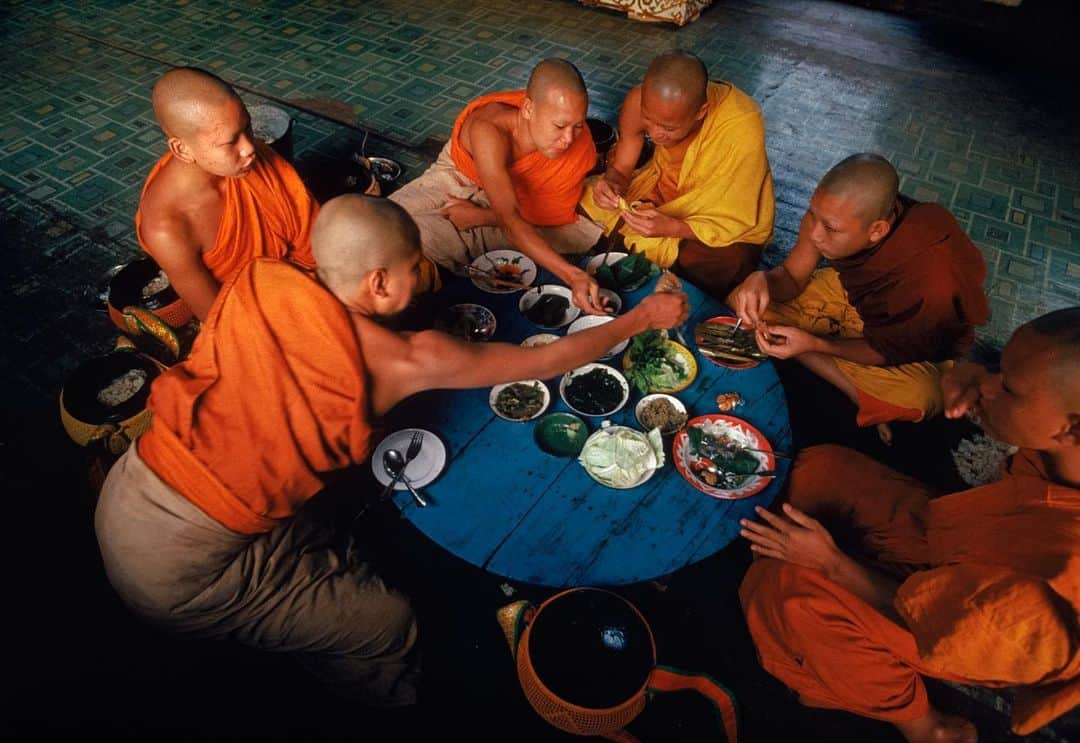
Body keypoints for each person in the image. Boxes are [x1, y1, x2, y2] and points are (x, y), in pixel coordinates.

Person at [94, 195, 689, 708]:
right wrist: (640, 318)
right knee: (387, 624)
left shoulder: (260, 280)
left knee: (327, 534)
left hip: (133, 483)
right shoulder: (404, 358)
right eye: (414, 269)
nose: (422, 279)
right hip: (173, 576)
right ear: (378, 282)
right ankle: (378, 702)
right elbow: (543, 360)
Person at [739, 307, 1080, 742]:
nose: (989, 386)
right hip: (957, 541)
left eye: (1008, 389)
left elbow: (933, 623)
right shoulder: (1066, 451)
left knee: (785, 589)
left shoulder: (1056, 582)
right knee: (817, 470)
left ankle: (923, 724)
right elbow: (1026, 448)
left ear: (1071, 430)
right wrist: (972, 377)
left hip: (964, 625)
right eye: (998, 368)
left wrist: (832, 563)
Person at [727, 153, 989, 439]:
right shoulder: (828, 217)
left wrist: (814, 344)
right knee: (747, 300)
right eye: (812, 214)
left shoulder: (930, 275)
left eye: (830, 228)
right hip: (847, 294)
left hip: (910, 336)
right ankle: (805, 350)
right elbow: (791, 277)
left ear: (877, 230)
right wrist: (761, 278)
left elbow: (885, 350)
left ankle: (825, 367)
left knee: (924, 395)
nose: (814, 233)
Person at [389, 58, 607, 314]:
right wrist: (573, 276)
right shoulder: (489, 129)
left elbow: (547, 210)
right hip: (459, 176)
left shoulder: (577, 142)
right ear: (527, 109)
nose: (568, 139)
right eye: (559, 126)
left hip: (513, 201)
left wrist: (482, 216)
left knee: (421, 244)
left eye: (578, 126)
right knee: (384, 224)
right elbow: (510, 220)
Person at [580, 50, 775, 298]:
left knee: (731, 260)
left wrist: (673, 228)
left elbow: (736, 217)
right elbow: (621, 169)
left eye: (668, 128)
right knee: (584, 196)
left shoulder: (741, 123)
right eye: (649, 120)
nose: (656, 134)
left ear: (701, 112)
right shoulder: (637, 101)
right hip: (662, 187)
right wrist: (612, 184)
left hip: (715, 218)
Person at [136, 66, 319, 321]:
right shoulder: (167, 227)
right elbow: (218, 319)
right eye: (230, 142)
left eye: (247, 128)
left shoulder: (253, 161)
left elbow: (312, 241)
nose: (249, 148)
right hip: (250, 313)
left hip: (304, 280)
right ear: (182, 149)